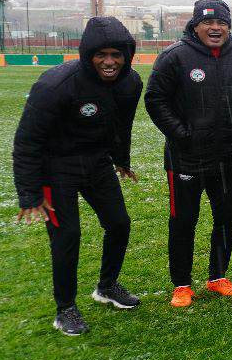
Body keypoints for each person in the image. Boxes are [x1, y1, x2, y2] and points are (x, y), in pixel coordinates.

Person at [13, 17, 143, 335]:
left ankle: (107, 286)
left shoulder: (131, 83)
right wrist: (29, 194)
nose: (109, 62)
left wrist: (121, 159)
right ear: (88, 55)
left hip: (97, 163)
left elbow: (121, 125)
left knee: (119, 223)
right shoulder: (56, 84)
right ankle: (65, 309)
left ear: (127, 55)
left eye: (116, 55)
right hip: (56, 168)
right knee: (67, 236)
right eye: (101, 55)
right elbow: (27, 142)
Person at [145, 0, 232, 307]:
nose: (215, 28)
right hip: (185, 156)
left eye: (221, 23)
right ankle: (182, 284)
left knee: (227, 217)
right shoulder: (174, 56)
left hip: (227, 155)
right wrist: (182, 134)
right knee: (183, 220)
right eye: (208, 23)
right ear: (195, 26)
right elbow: (155, 99)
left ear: (228, 27)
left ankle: (217, 276)